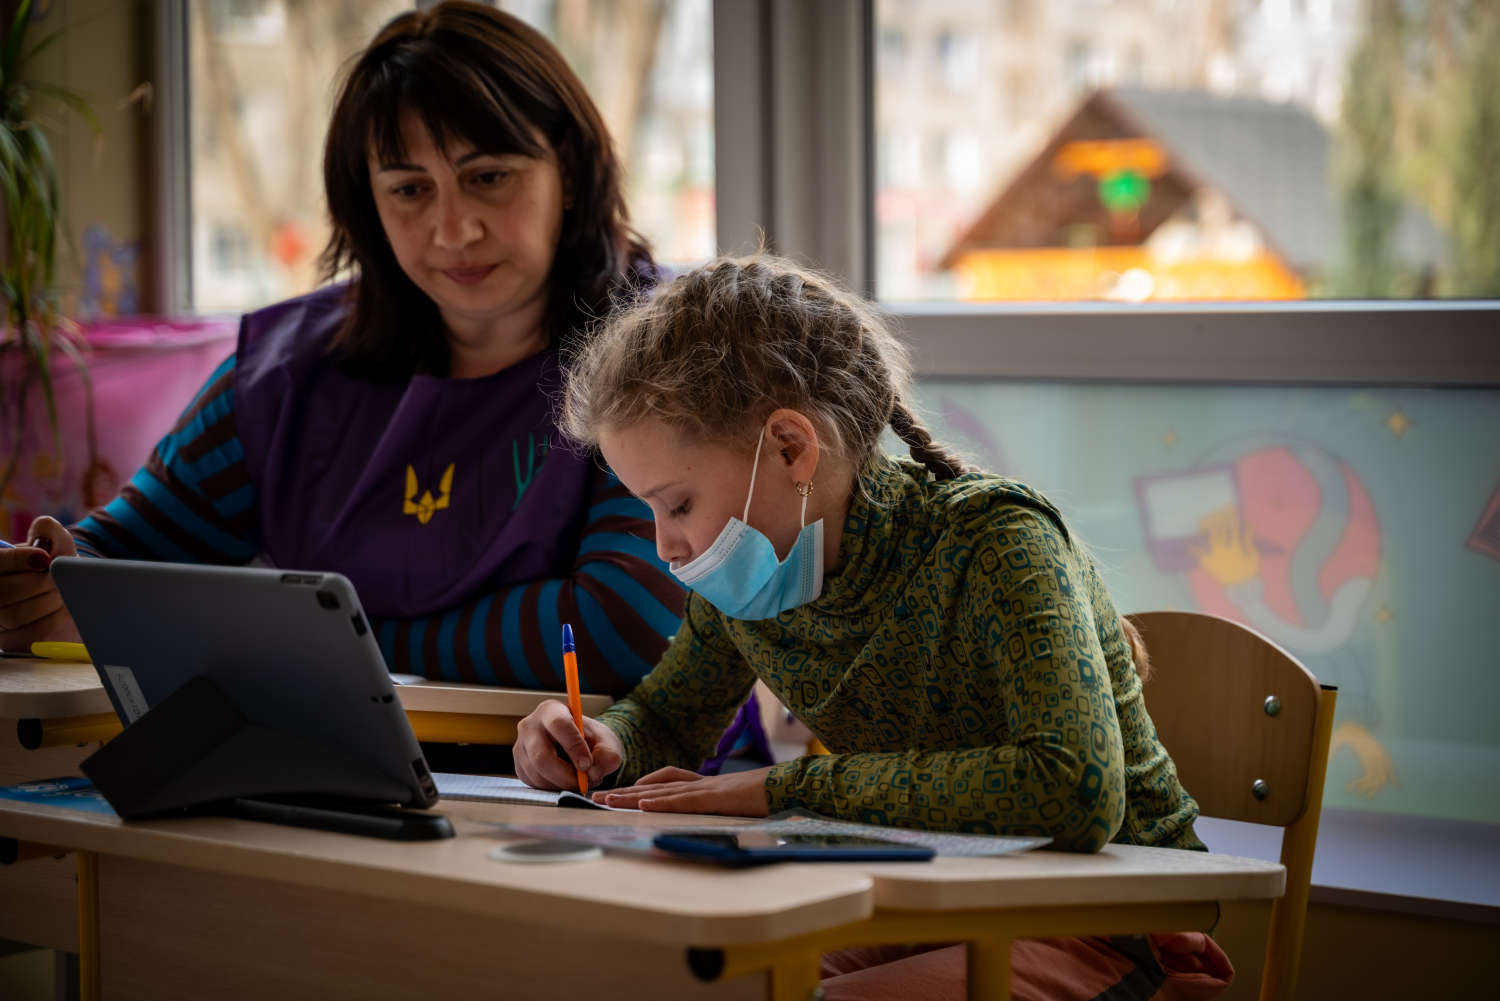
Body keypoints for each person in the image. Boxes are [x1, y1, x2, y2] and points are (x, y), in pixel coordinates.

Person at [514, 254, 1234, 1000]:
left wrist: (784, 789)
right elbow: (669, 712)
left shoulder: (997, 541)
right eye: (650, 510)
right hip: (943, 901)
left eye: (679, 504)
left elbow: (1072, 789)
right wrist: (605, 741)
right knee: (702, 983)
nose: (665, 545)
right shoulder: (755, 582)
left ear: (792, 448)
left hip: (1115, 920)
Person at [0, 1, 682, 697]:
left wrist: (331, 635)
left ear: (566, 168)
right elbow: (102, 561)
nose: (454, 229)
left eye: (489, 177)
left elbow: (615, 631)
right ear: (368, 205)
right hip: (322, 776)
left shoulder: (662, 353)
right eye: (410, 190)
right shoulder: (285, 375)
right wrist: (31, 584)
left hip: (595, 795)